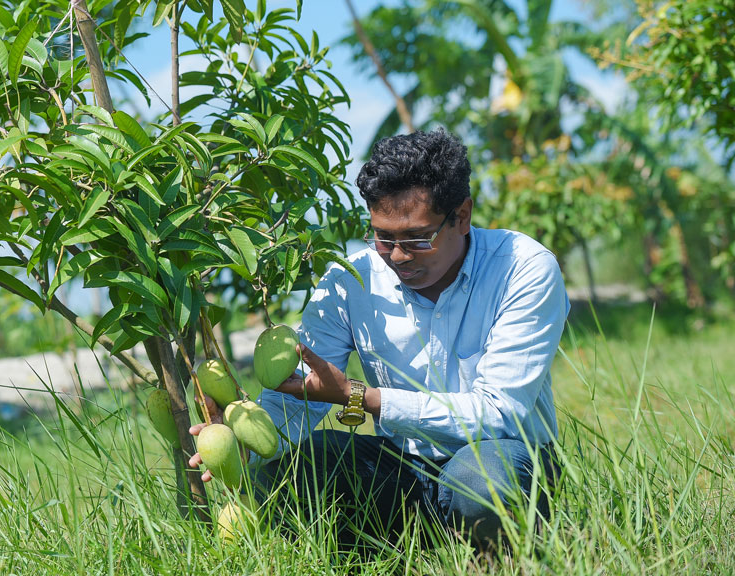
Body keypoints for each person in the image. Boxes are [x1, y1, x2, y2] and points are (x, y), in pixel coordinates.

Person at [189, 129, 569, 550]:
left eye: (417, 238)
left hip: (499, 456)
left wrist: (362, 397)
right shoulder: (352, 280)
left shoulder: (523, 269)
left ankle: (496, 556)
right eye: (383, 237)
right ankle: (399, 552)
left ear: (462, 216)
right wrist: (241, 439)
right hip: (400, 468)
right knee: (296, 470)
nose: (398, 255)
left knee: (484, 482)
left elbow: (501, 413)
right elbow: (293, 399)